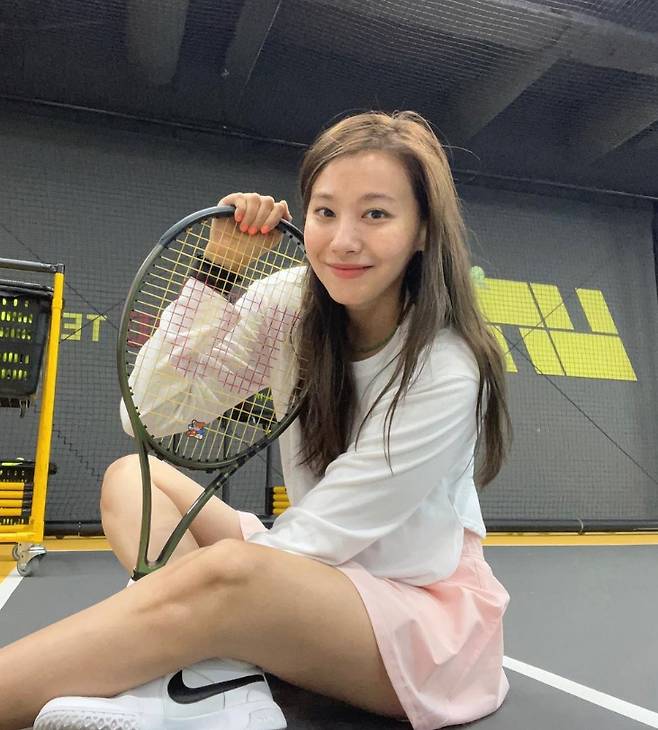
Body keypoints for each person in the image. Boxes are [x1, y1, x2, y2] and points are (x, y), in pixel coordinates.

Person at [0, 110, 512, 730]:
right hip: (305, 579)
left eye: (376, 214)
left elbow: (320, 537)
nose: (343, 240)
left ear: (423, 230)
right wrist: (217, 272)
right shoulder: (288, 303)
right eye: (325, 212)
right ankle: (220, 685)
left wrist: (169, 608)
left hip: (419, 622)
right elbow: (149, 415)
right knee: (130, 480)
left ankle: (184, 668)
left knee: (227, 578)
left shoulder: (447, 367)